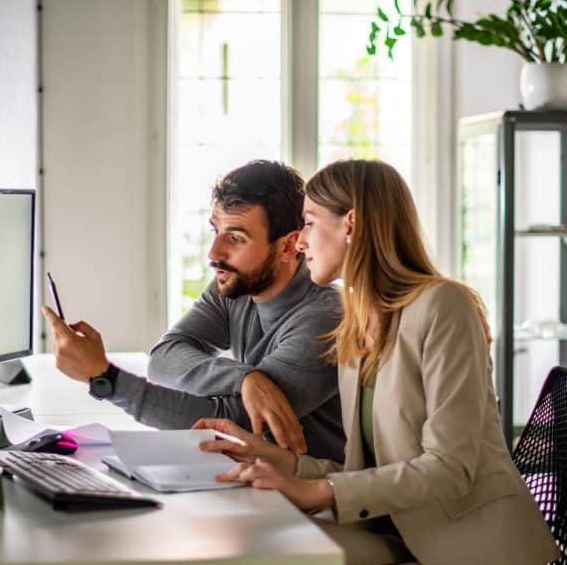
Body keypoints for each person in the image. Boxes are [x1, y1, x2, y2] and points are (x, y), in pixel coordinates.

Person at [161, 159, 560, 565]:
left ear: (350, 224)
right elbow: (366, 472)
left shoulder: (444, 307)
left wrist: (316, 490)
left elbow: (451, 468)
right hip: (395, 536)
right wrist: (280, 462)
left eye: (309, 224)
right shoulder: (358, 324)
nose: (299, 242)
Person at [41, 159, 345, 462]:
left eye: (236, 238)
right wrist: (245, 378)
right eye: (216, 231)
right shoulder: (234, 287)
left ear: (288, 247)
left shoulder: (325, 318)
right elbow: (164, 358)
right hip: (254, 474)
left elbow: (230, 425)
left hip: (311, 488)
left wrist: (106, 379)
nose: (214, 253)